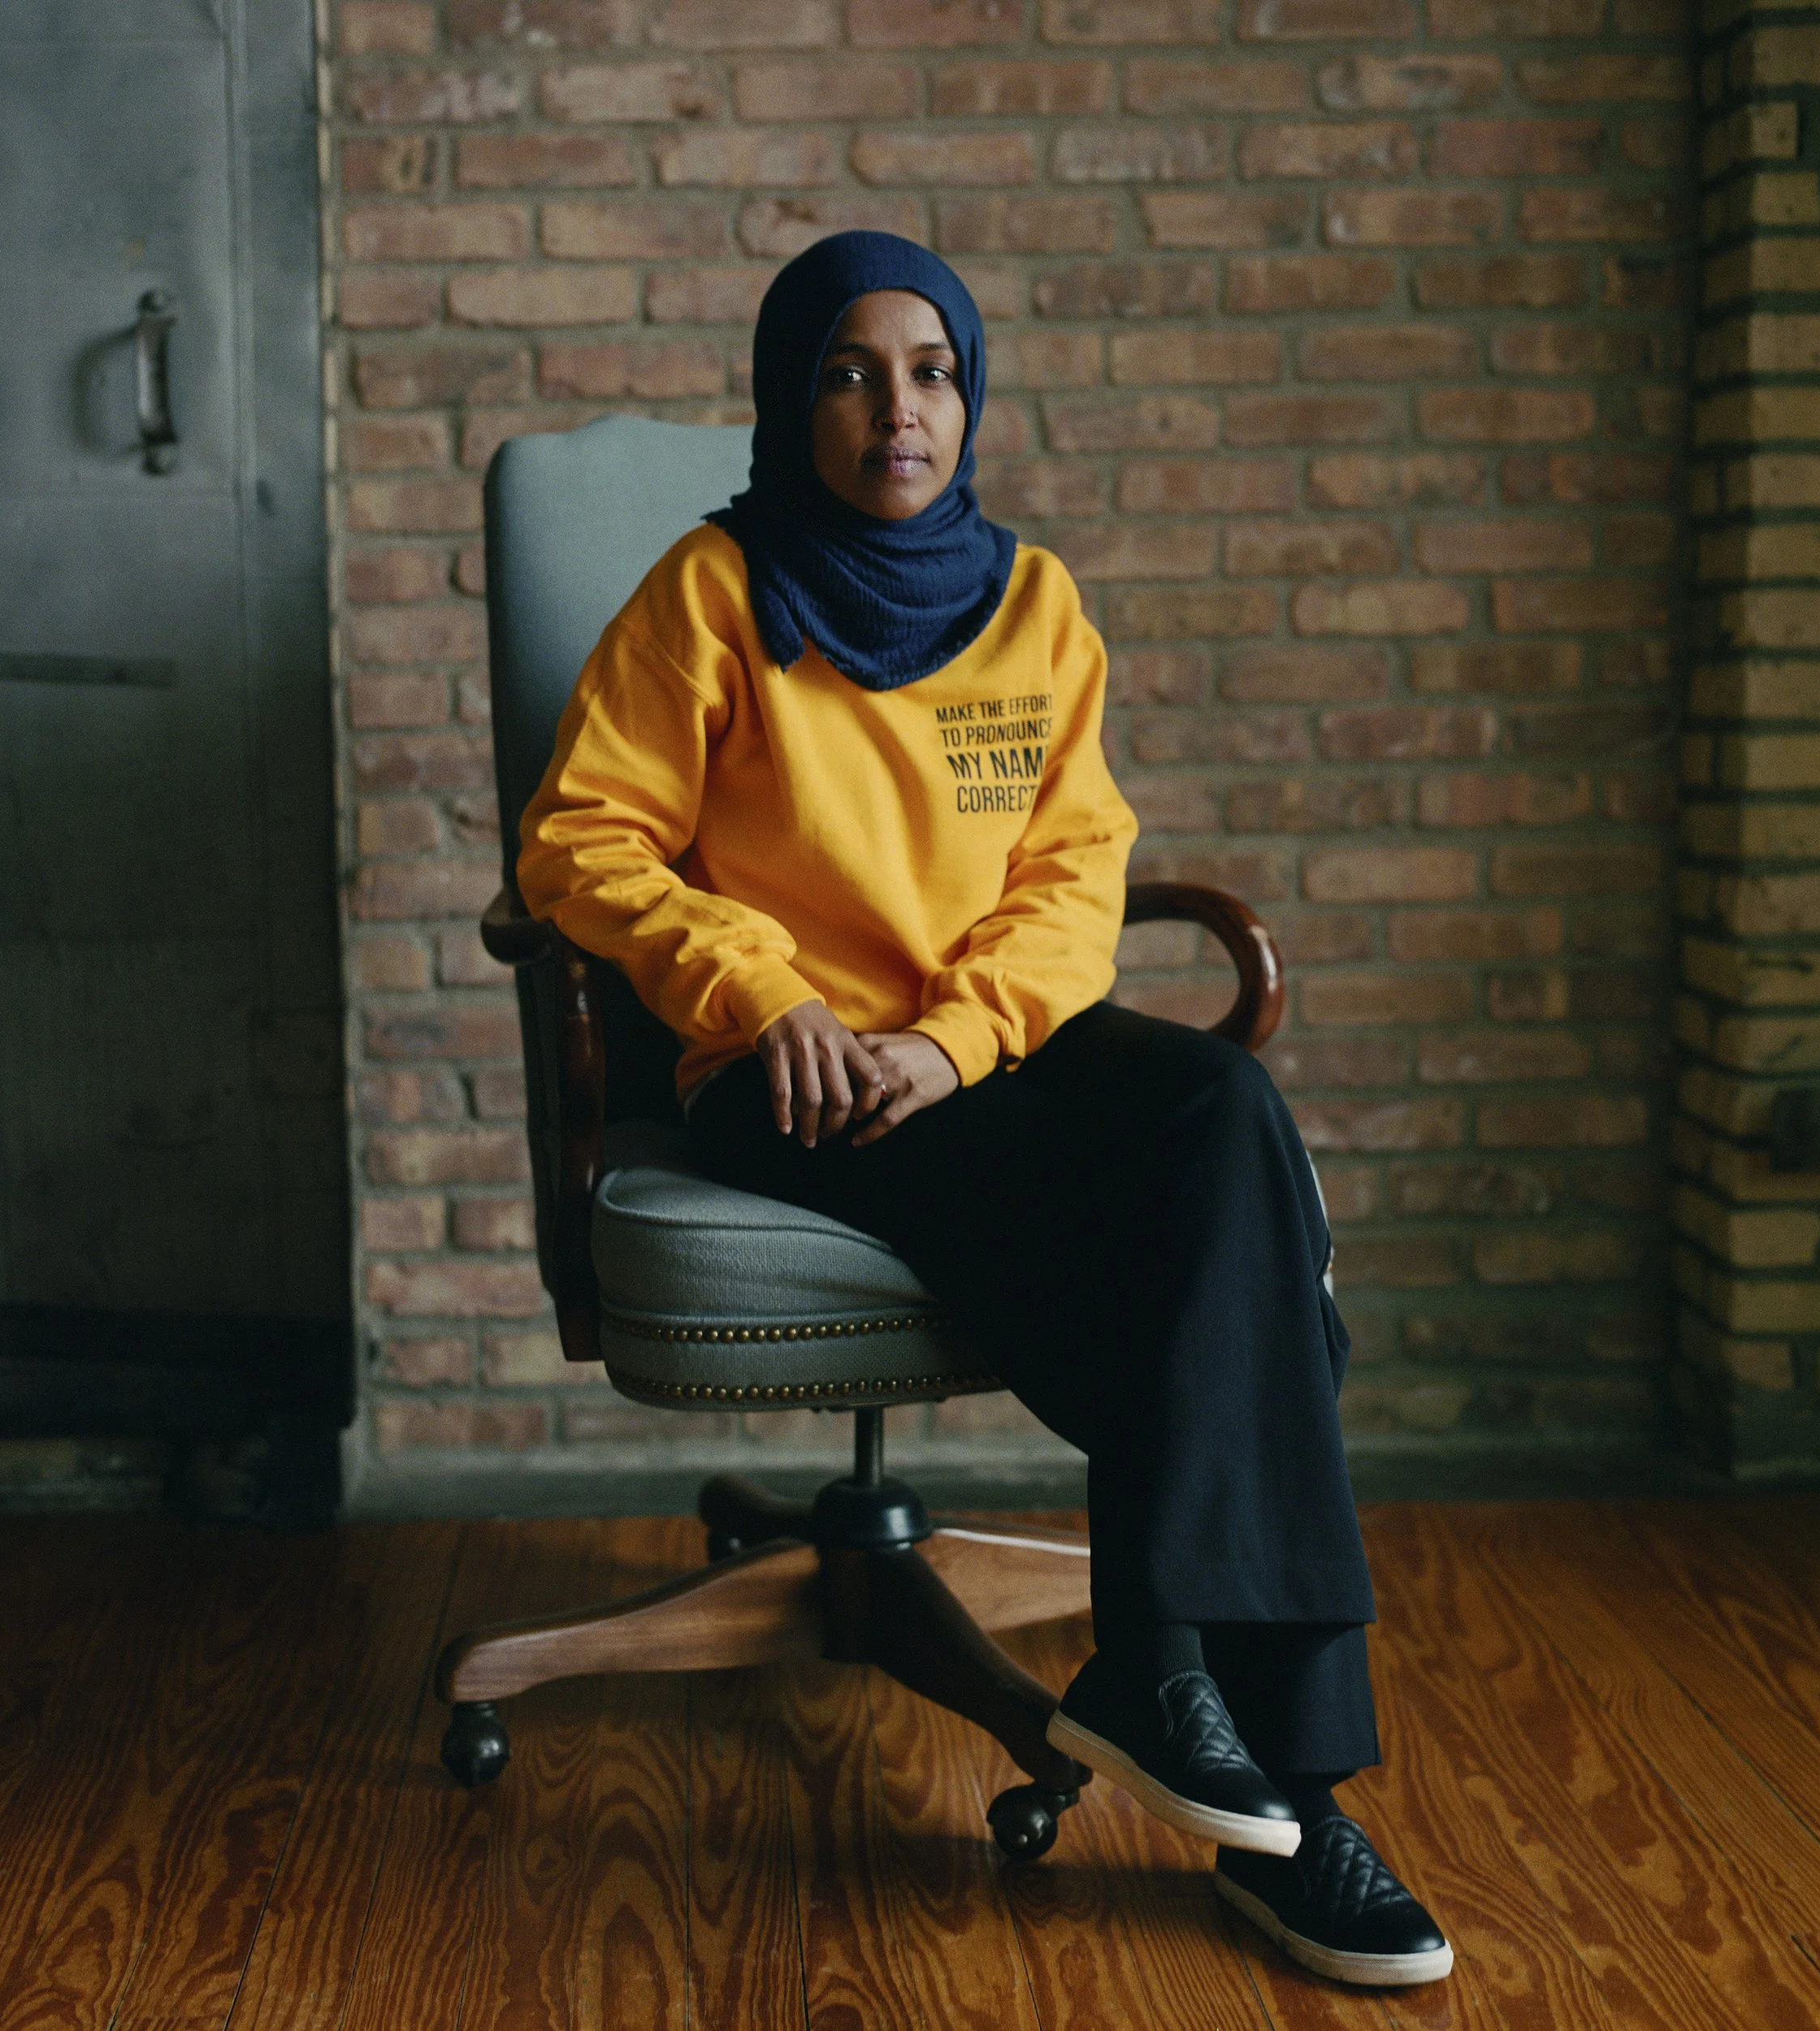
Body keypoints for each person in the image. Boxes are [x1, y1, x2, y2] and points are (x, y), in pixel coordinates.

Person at [516, 230, 1453, 1990]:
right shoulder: (707, 593)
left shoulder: (1036, 605)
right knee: (1251, 1305)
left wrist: (953, 1042)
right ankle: (1278, 1779)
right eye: (850, 373)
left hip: (975, 1049)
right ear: (791, 400)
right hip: (787, 1073)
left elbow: (1072, 879)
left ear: (971, 398)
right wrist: (763, 993)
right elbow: (580, 842)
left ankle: (1175, 1690)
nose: (899, 409)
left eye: (932, 371)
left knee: (1219, 1111)